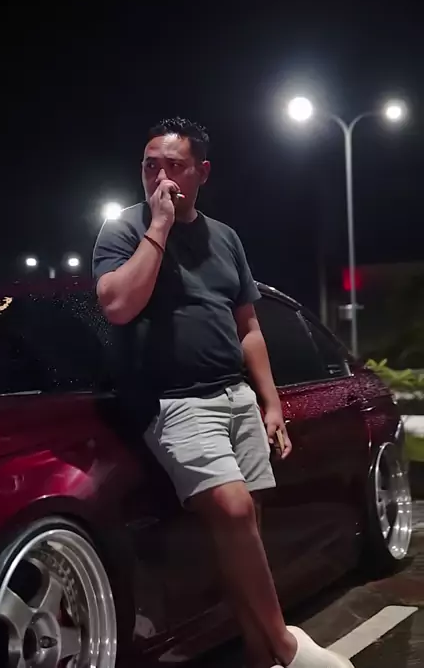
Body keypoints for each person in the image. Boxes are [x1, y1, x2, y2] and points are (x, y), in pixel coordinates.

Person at [93, 117, 353, 668]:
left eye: (174, 165)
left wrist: (271, 401)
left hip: (236, 397)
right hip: (177, 403)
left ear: (202, 172)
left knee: (245, 529)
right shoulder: (124, 231)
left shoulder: (225, 238)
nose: (161, 177)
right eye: (150, 166)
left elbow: (248, 328)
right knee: (233, 512)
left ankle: (261, 655)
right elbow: (116, 305)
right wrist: (159, 228)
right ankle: (287, 645)